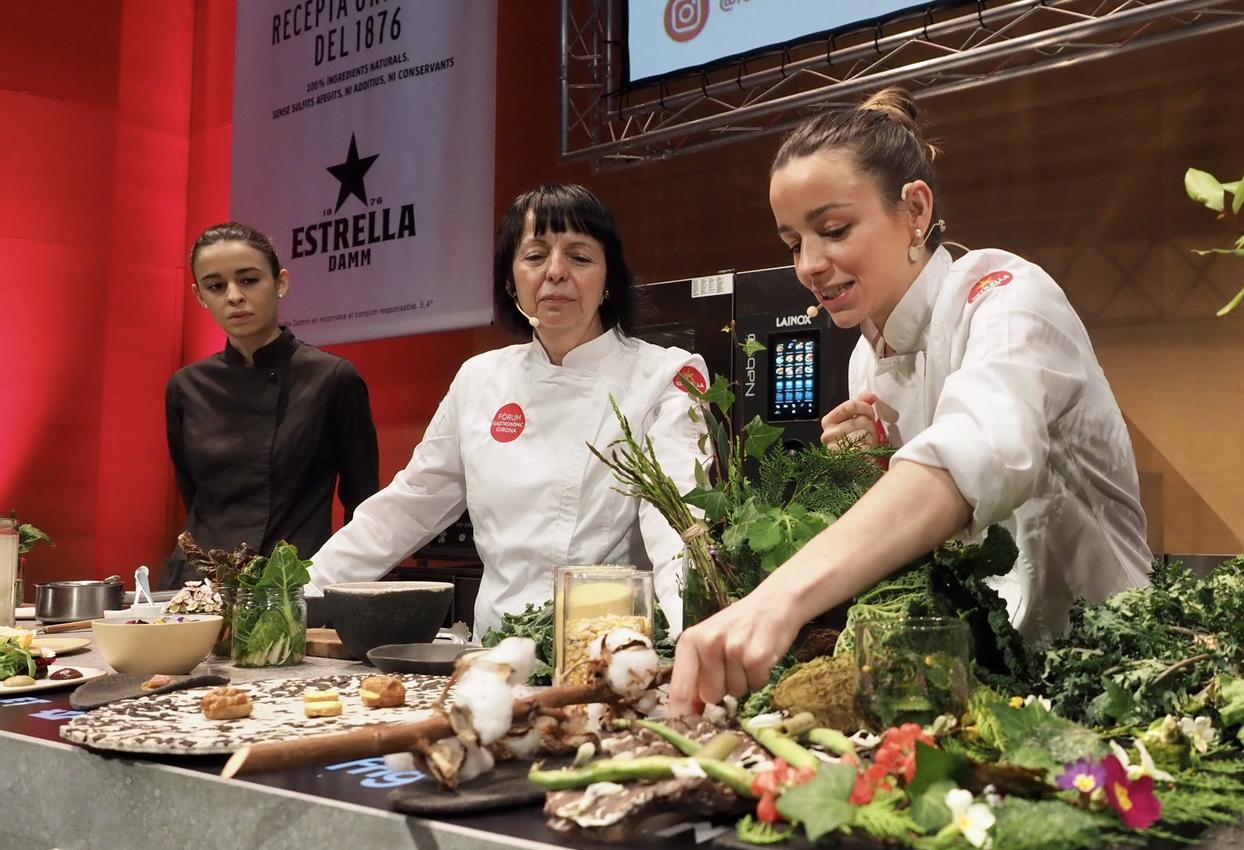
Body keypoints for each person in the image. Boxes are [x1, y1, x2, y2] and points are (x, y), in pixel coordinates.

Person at [669, 88, 1153, 712]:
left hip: (1105, 674)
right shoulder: (865, 356)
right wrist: (871, 471)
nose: (810, 265)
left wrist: (775, 601)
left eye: (834, 229)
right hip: (981, 682)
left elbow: (975, 456)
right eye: (793, 243)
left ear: (915, 210)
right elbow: (930, 543)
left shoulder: (1006, 298)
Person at [309, 184, 708, 637]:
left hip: (606, 653)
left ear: (609, 277)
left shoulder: (664, 377)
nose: (555, 272)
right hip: (492, 652)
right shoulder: (480, 379)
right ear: (508, 278)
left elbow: (680, 525)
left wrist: (694, 634)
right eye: (535, 256)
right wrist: (293, 592)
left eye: (579, 256)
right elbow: (407, 507)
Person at [161, 222, 379, 589]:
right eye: (216, 286)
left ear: (280, 283)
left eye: (248, 280)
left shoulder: (332, 378)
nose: (234, 296)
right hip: (201, 587)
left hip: (291, 587)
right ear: (200, 296)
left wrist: (346, 591)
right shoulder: (186, 386)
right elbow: (195, 497)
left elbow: (364, 506)